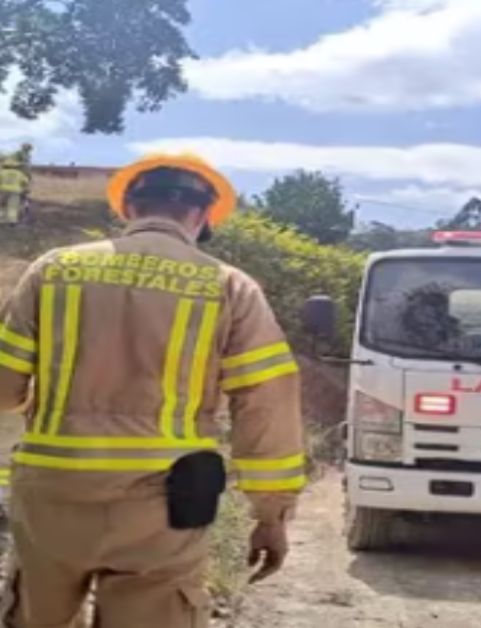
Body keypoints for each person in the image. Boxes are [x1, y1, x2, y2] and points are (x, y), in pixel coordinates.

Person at [0, 153, 307, 627]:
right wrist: (271, 513)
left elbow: (5, 387)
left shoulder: (53, 269)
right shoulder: (229, 286)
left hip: (52, 494)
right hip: (165, 505)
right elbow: (266, 402)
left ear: (128, 209)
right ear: (202, 216)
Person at [0, 155, 29, 226]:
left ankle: (1, 219)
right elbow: (25, 182)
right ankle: (12, 221)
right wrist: (24, 189)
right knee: (13, 206)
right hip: (16, 191)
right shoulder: (20, 173)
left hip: (3, 190)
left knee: (2, 205)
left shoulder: (2, 172)